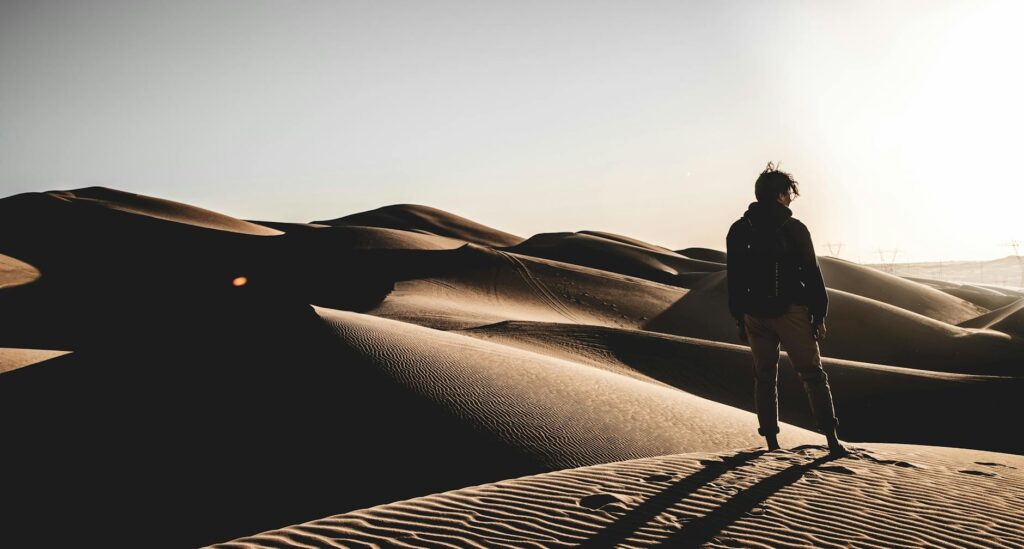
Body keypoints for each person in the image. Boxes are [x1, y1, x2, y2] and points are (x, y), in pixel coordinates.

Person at [726, 162, 847, 456]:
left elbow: (735, 277)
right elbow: (812, 273)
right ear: (781, 195)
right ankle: (832, 441)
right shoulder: (793, 228)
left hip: (754, 314)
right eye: (790, 193)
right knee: (812, 375)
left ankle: (771, 442)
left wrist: (740, 318)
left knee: (764, 377)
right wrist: (819, 315)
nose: (792, 198)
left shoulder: (739, 229)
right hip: (791, 312)